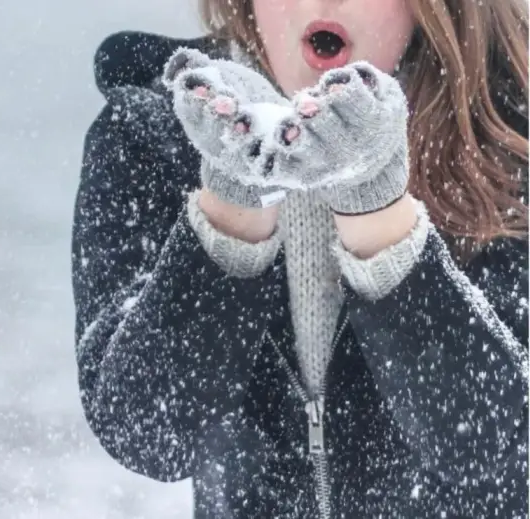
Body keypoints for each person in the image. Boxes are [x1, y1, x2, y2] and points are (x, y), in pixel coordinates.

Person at [71, 0, 528, 517]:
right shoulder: (151, 133)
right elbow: (148, 435)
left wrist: (378, 213)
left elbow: (496, 448)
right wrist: (230, 205)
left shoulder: (508, 141)